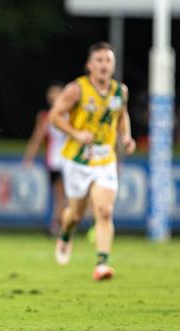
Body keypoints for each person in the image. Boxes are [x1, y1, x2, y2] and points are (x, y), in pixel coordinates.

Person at [49, 42, 136, 281]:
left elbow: (121, 116)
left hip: (105, 160)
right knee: (76, 214)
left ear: (113, 65)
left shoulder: (121, 92)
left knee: (104, 211)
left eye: (108, 60)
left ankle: (102, 264)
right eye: (99, 60)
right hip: (77, 161)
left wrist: (126, 137)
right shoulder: (77, 89)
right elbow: (55, 116)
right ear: (89, 65)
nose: (103, 65)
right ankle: (66, 233)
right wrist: (76, 133)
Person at [22, 82, 67, 235]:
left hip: (70, 160)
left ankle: (58, 224)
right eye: (51, 95)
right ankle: (58, 223)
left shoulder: (72, 114)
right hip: (54, 161)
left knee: (63, 192)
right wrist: (29, 158)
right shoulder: (45, 117)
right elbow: (37, 138)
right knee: (59, 193)